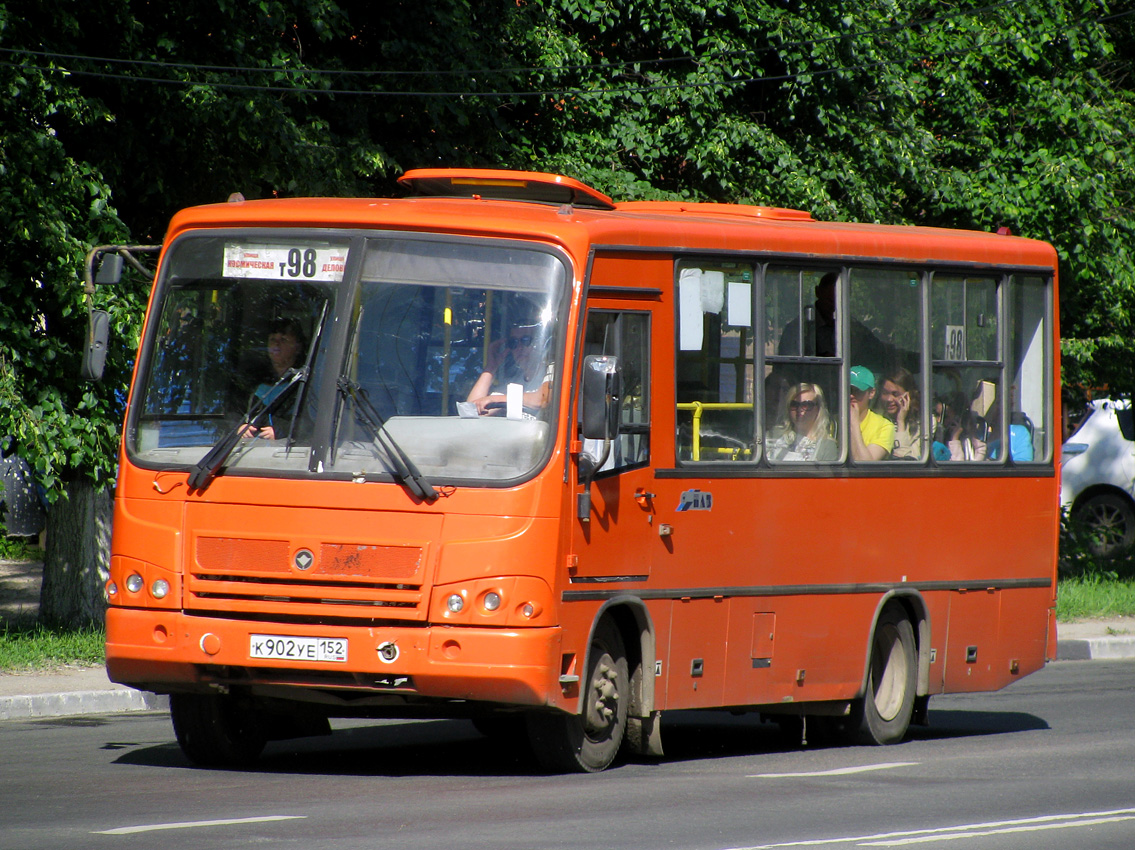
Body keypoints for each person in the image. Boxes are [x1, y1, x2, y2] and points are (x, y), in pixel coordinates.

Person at [466, 320, 552, 416]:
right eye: (513, 342)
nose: (519, 347)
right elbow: (471, 411)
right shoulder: (513, 382)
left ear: (540, 343)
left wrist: (494, 399)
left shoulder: (552, 370)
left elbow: (542, 398)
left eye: (525, 340)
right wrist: (490, 368)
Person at [241, 317, 306, 440]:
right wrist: (239, 427)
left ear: (297, 348)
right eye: (272, 339)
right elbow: (235, 411)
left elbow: (309, 424)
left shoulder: (305, 383)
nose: (276, 344)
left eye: (283, 339)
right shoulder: (254, 379)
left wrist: (282, 430)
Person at [766, 382, 838, 461]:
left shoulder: (827, 446)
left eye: (807, 405)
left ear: (818, 409)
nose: (799, 409)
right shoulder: (774, 435)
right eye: (794, 404)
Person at [849, 365, 894, 461]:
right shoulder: (832, 423)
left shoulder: (884, 426)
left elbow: (865, 465)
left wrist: (854, 424)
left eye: (857, 391)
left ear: (871, 393)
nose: (851, 395)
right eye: (847, 390)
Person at [879, 367, 923, 459]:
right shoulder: (877, 419)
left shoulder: (924, 424)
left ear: (908, 395)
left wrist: (900, 422)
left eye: (895, 394)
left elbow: (904, 458)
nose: (889, 399)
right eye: (885, 393)